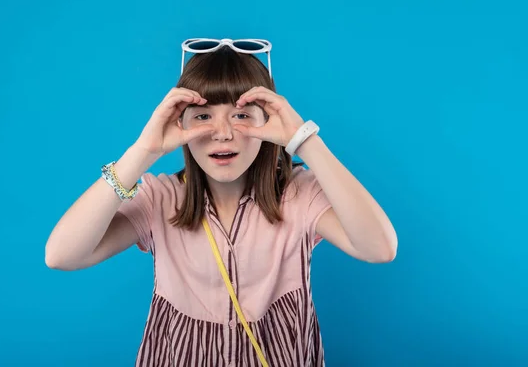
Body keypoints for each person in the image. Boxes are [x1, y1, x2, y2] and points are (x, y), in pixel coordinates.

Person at [45, 38, 398, 367]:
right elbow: (61, 255)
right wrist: (143, 151)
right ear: (178, 123)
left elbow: (379, 248)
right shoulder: (161, 198)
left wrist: (302, 139)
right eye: (203, 115)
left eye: (242, 114)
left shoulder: (296, 194)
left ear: (270, 122)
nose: (223, 132)